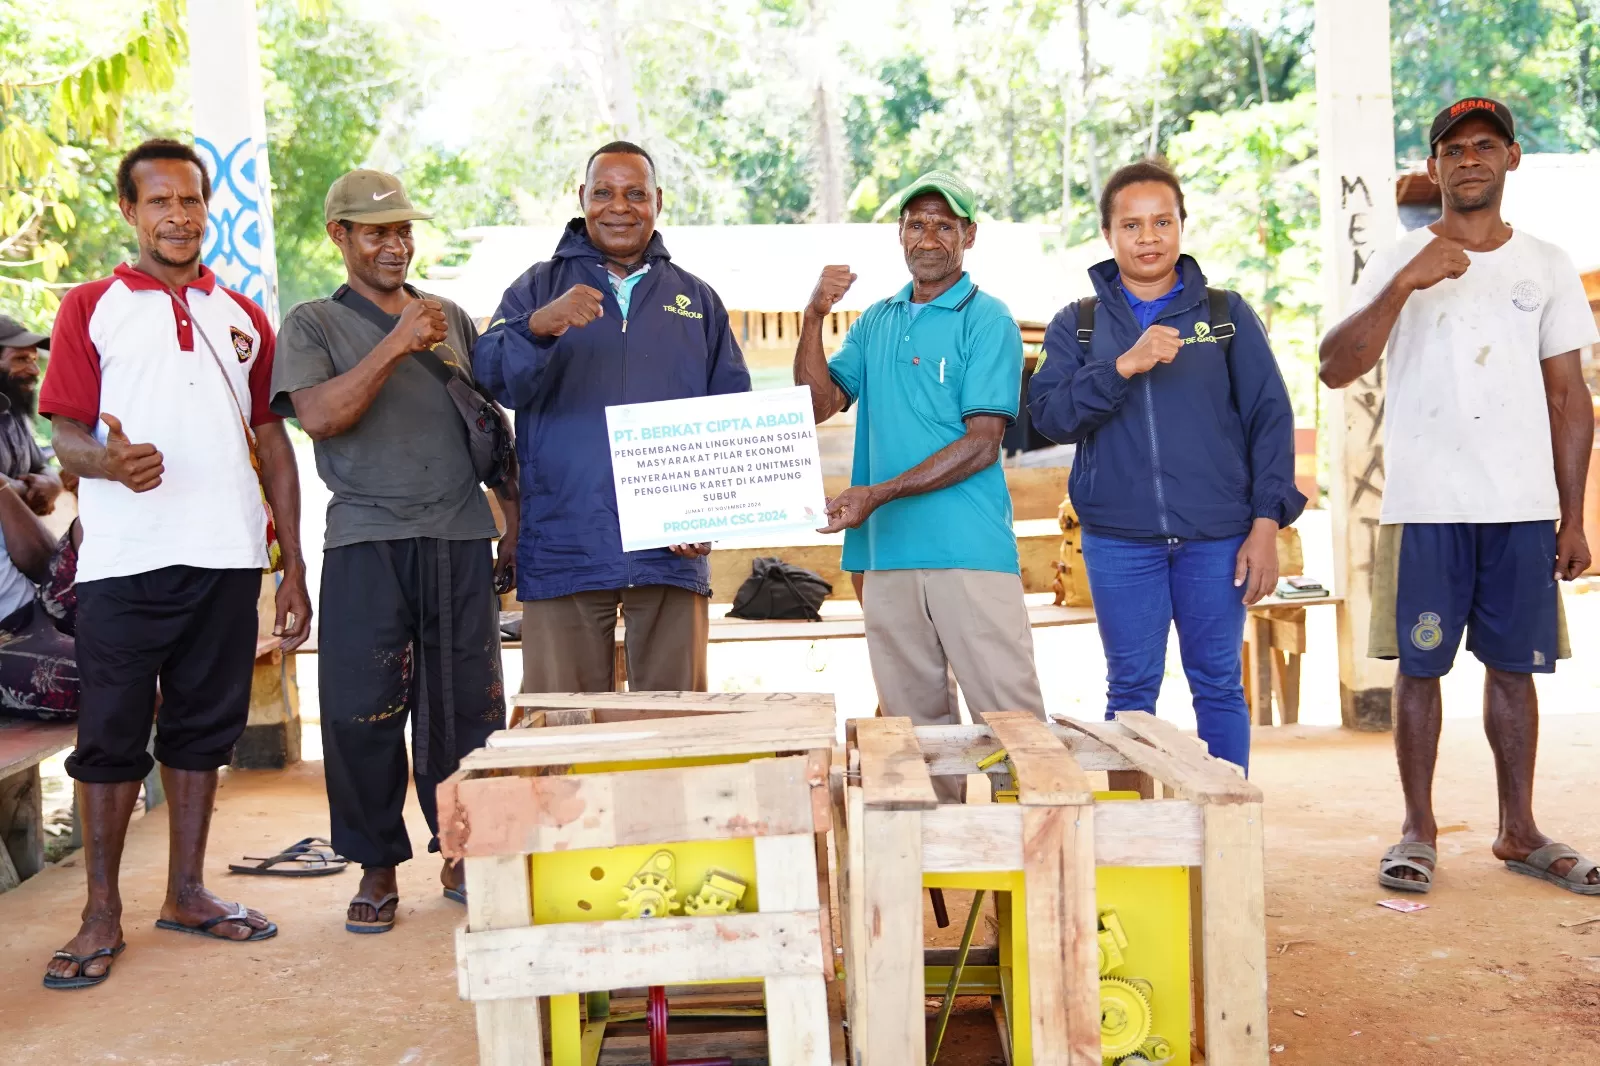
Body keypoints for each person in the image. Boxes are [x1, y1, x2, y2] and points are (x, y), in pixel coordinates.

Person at [37, 138, 312, 989]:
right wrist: (109, 464)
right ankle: (100, 915)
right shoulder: (90, 307)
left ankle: (188, 892)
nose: (178, 216)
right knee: (111, 737)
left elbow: (272, 441)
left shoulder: (243, 318)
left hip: (228, 557)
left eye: (190, 201)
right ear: (129, 211)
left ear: (206, 208)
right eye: (159, 202)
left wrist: (292, 564)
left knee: (204, 728)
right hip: (125, 562)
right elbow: (67, 436)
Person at [1320, 98, 1600, 896]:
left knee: (1515, 670)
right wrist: (1406, 282)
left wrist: (1572, 514)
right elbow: (1337, 365)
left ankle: (1519, 830)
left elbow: (1568, 397)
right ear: (1434, 165)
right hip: (1426, 505)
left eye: (1486, 145)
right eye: (1453, 148)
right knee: (1421, 667)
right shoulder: (1401, 257)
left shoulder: (1546, 263)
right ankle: (1419, 829)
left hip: (1519, 509)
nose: (1469, 158)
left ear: (1512, 159)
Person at [272, 169, 517, 932]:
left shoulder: (452, 317)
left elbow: (485, 423)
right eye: (375, 231)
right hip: (365, 538)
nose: (395, 245)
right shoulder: (314, 324)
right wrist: (396, 344)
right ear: (338, 236)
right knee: (358, 711)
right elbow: (319, 417)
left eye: (403, 230)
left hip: (457, 533)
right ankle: (377, 866)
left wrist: (511, 518)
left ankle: (460, 849)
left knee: (465, 710)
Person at [1027, 160, 1303, 774]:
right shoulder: (1080, 323)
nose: (1148, 237)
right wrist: (1121, 366)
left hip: (1218, 536)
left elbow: (1270, 420)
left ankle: (1229, 824)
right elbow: (1050, 416)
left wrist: (1266, 525)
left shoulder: (1227, 315)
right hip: (1121, 541)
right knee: (1130, 693)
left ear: (1181, 226)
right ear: (1108, 234)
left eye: (1162, 221)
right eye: (1131, 224)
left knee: (1219, 685)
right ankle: (1135, 839)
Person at [794, 170, 1045, 796]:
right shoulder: (876, 322)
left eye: (943, 223)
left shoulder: (988, 320)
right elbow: (816, 403)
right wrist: (813, 316)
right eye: (915, 223)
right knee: (916, 736)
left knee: (1012, 726)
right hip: (885, 556)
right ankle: (945, 868)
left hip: (969, 554)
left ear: (968, 235)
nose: (928, 236)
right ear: (900, 235)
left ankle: (1040, 867)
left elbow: (982, 444)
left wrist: (875, 494)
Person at [475, 141, 750, 693]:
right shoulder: (537, 287)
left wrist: (710, 511)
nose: (618, 207)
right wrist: (539, 326)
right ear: (582, 198)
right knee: (563, 729)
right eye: (603, 193)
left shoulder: (696, 299)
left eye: (635, 194)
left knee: (673, 730)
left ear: (658, 202)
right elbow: (494, 380)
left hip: (672, 548)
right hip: (565, 541)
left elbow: (732, 416)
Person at [0, 474, 76, 721]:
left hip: (39, 606)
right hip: (7, 642)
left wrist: (3, 489)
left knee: (84, 531)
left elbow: (44, 564)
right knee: (111, 678)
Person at [0, 315, 64, 515]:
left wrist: (53, 482)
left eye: (34, 359)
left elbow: (40, 465)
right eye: (20, 359)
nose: (35, 370)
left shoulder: (12, 413)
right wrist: (22, 490)